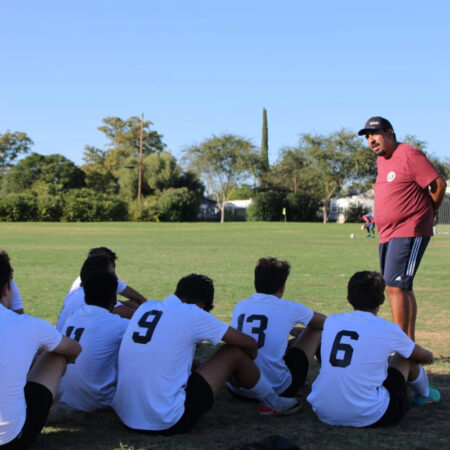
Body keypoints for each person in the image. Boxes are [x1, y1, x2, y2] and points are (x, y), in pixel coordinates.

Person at [112, 274, 301, 435]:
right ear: (202, 305)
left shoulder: (147, 307)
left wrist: (199, 364)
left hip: (125, 415)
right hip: (165, 420)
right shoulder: (193, 313)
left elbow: (160, 353)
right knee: (234, 352)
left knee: (195, 362)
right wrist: (247, 362)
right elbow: (247, 342)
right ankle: (273, 401)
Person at [307, 271, 440, 428]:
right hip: (371, 415)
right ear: (383, 300)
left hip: (323, 411)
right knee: (404, 356)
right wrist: (429, 355)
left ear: (348, 299)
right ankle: (425, 395)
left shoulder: (332, 321)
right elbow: (423, 356)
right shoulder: (388, 329)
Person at [358, 117, 447, 340]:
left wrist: (430, 211)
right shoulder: (382, 161)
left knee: (395, 285)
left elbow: (438, 185)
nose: (371, 140)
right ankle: (408, 342)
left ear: (390, 133)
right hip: (387, 232)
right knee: (398, 286)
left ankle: (400, 344)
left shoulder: (409, 154)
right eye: (368, 136)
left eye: (375, 133)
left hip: (409, 229)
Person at [0, 250, 81, 449]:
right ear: (6, 289)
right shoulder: (29, 325)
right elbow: (74, 349)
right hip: (10, 440)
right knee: (57, 355)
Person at [227, 257, 325, 411]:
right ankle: (330, 380)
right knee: (316, 330)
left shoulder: (241, 305)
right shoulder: (289, 308)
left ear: (255, 283)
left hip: (240, 388)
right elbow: (325, 323)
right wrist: (301, 331)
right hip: (278, 389)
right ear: (283, 286)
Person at [55, 271, 129, 415]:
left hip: (65, 397)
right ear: (114, 298)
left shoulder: (73, 316)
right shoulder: (117, 324)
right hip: (96, 402)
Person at [56, 248, 147, 330]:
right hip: (74, 340)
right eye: (112, 272)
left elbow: (139, 300)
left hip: (69, 336)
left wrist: (129, 304)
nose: (115, 276)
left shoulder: (88, 280)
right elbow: (133, 316)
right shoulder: (96, 284)